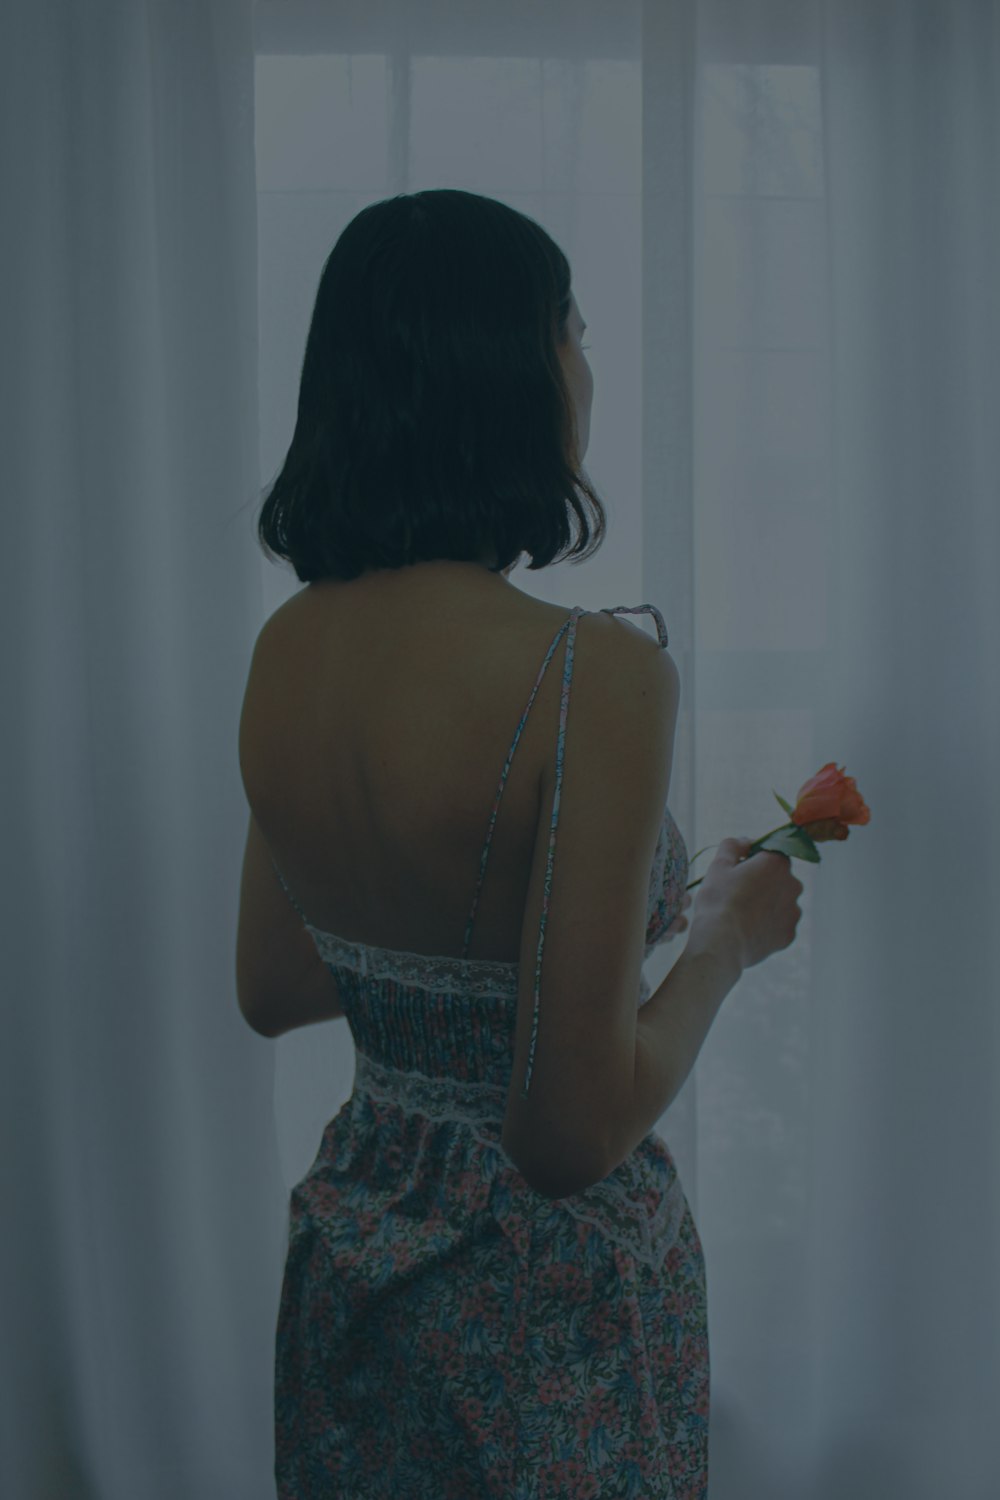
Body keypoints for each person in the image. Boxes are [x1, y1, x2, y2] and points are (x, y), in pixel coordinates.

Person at [235, 189, 803, 1499]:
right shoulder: (588, 674)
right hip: (542, 1299)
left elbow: (277, 984)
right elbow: (566, 1135)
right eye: (575, 328)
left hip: (358, 1259)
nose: (587, 365)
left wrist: (481, 944)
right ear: (511, 367)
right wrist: (723, 939)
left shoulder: (292, 646)